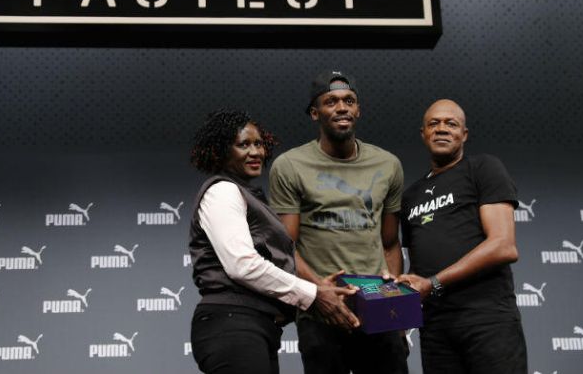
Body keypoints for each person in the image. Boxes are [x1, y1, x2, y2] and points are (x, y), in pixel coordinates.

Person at [188, 109, 360, 374]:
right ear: (221, 150)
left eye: (258, 144)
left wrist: (313, 286)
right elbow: (242, 265)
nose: (255, 152)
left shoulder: (248, 194)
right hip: (232, 326)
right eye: (243, 144)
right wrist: (312, 294)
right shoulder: (222, 191)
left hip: (255, 327)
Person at [268, 70, 410, 374]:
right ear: (314, 113)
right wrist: (321, 291)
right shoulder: (290, 165)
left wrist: (395, 310)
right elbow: (285, 247)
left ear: (358, 109)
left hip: (377, 306)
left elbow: (390, 243)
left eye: (349, 100)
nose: (342, 107)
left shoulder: (388, 164)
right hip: (322, 309)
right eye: (331, 101)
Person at [397, 99, 528, 374]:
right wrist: (400, 313)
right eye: (434, 123)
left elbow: (503, 246)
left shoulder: (483, 169)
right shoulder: (411, 196)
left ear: (464, 134)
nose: (442, 129)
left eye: (451, 123)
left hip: (487, 321)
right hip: (435, 327)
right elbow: (418, 268)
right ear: (423, 133)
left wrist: (432, 284)